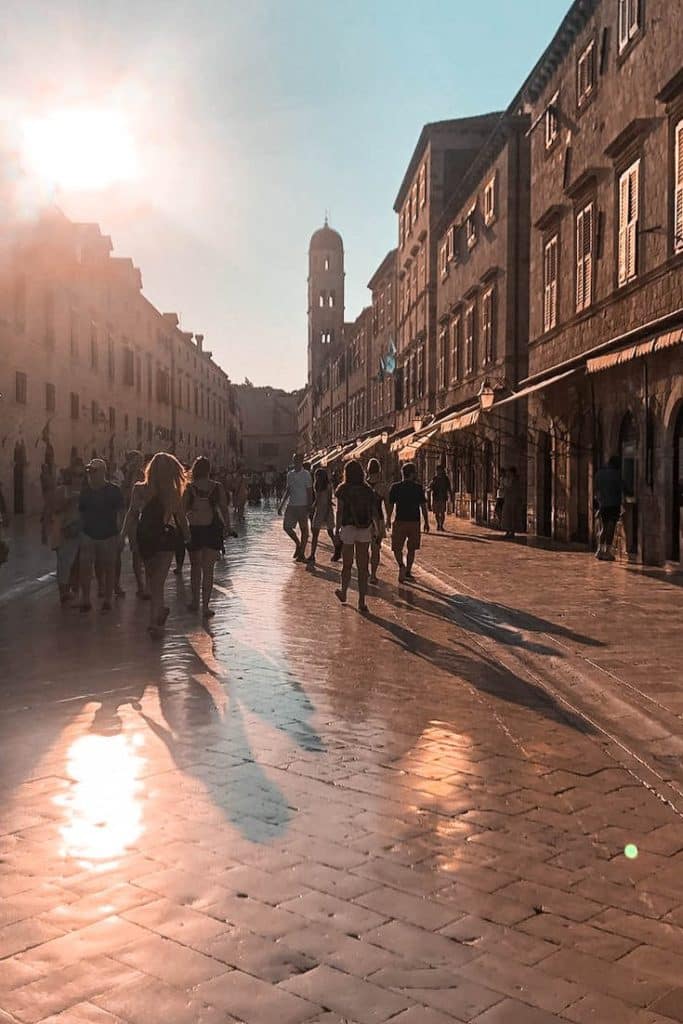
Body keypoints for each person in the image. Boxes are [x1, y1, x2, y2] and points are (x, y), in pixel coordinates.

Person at [124, 452, 190, 638]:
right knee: (157, 582)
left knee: (153, 580)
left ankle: (156, 618)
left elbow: (132, 513)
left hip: (145, 538)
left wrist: (123, 536)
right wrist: (187, 537)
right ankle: (156, 619)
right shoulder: (172, 492)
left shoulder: (139, 489)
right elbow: (181, 518)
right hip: (166, 539)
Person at [183, 456, 232, 617]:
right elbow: (224, 509)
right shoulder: (217, 487)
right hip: (212, 530)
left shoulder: (189, 488)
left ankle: (194, 602)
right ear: (209, 470)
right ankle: (206, 607)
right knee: (209, 570)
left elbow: (182, 511)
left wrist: (182, 530)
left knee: (195, 568)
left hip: (195, 530)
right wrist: (228, 527)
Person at [78, 459, 124, 612]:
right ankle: (85, 598)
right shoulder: (85, 491)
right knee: (85, 567)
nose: (90, 474)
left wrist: (120, 534)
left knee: (109, 567)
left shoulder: (114, 490)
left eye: (94, 471)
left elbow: (120, 512)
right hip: (88, 534)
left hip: (108, 534)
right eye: (89, 471)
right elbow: (81, 512)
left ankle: (108, 599)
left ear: (103, 472)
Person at [334, 459, 378, 614]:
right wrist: (376, 528)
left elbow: (339, 511)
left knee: (347, 565)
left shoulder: (342, 489)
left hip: (348, 528)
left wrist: (337, 529)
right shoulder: (368, 490)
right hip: (364, 528)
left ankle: (344, 592)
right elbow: (373, 511)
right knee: (363, 567)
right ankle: (361, 601)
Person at [386, 462, 430, 583]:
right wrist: (426, 521)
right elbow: (423, 506)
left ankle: (401, 566)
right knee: (412, 549)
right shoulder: (418, 488)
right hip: (414, 522)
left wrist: (388, 519)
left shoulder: (395, 487)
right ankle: (408, 571)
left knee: (396, 548)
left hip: (400, 521)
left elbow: (390, 505)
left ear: (402, 473)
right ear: (412, 474)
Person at [50, 468, 82, 603]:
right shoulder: (61, 490)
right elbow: (55, 508)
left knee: (77, 563)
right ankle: (63, 592)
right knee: (64, 563)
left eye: (81, 475)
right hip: (63, 531)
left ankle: (75, 591)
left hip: (80, 530)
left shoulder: (85, 491)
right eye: (76, 475)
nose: (78, 478)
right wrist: (69, 502)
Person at [122, 451, 149, 598]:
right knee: (136, 552)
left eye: (141, 460)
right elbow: (124, 495)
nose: (139, 462)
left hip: (145, 516)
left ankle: (147, 585)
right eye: (136, 460)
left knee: (146, 553)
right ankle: (141, 586)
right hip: (133, 517)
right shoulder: (125, 475)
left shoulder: (144, 474)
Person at [278, 452, 313, 561]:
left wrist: (310, 505)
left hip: (303, 505)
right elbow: (288, 490)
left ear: (302, 461)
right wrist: (281, 505)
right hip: (292, 505)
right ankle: (298, 544)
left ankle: (302, 553)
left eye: (298, 460)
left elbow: (310, 491)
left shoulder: (306, 474)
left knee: (304, 530)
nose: (296, 462)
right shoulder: (290, 474)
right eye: (295, 460)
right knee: (286, 527)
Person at [308, 467, 341, 565]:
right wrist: (313, 507)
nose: (316, 478)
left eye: (317, 476)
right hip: (321, 510)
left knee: (326, 533)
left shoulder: (325, 486)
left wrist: (313, 508)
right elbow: (321, 499)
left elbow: (324, 500)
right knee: (317, 533)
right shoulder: (320, 485)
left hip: (324, 510)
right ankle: (313, 555)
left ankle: (337, 549)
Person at [595, 455, 624, 561]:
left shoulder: (599, 473)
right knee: (611, 527)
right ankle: (608, 551)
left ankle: (599, 550)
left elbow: (597, 490)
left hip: (603, 504)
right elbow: (623, 487)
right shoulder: (617, 474)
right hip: (613, 504)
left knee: (604, 527)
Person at [366, 458, 388, 584]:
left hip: (364, 521)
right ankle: (373, 574)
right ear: (379, 470)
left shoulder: (363, 485)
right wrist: (389, 519)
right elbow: (388, 505)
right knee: (375, 549)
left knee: (364, 548)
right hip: (378, 520)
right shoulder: (383, 486)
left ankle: (366, 572)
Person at [428, 464, 454, 532]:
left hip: (443, 498)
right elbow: (430, 487)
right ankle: (438, 524)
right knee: (436, 513)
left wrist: (451, 497)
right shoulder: (435, 478)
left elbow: (449, 488)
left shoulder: (446, 479)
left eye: (439, 470)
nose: (438, 471)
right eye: (437, 470)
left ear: (442, 471)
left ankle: (441, 525)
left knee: (442, 512)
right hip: (435, 498)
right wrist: (430, 487)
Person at [501, 466, 522, 540]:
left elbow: (510, 487)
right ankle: (507, 531)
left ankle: (512, 532)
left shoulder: (515, 480)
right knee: (506, 515)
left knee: (512, 516)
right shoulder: (508, 479)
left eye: (509, 472)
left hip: (513, 500)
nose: (507, 473)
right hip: (508, 499)